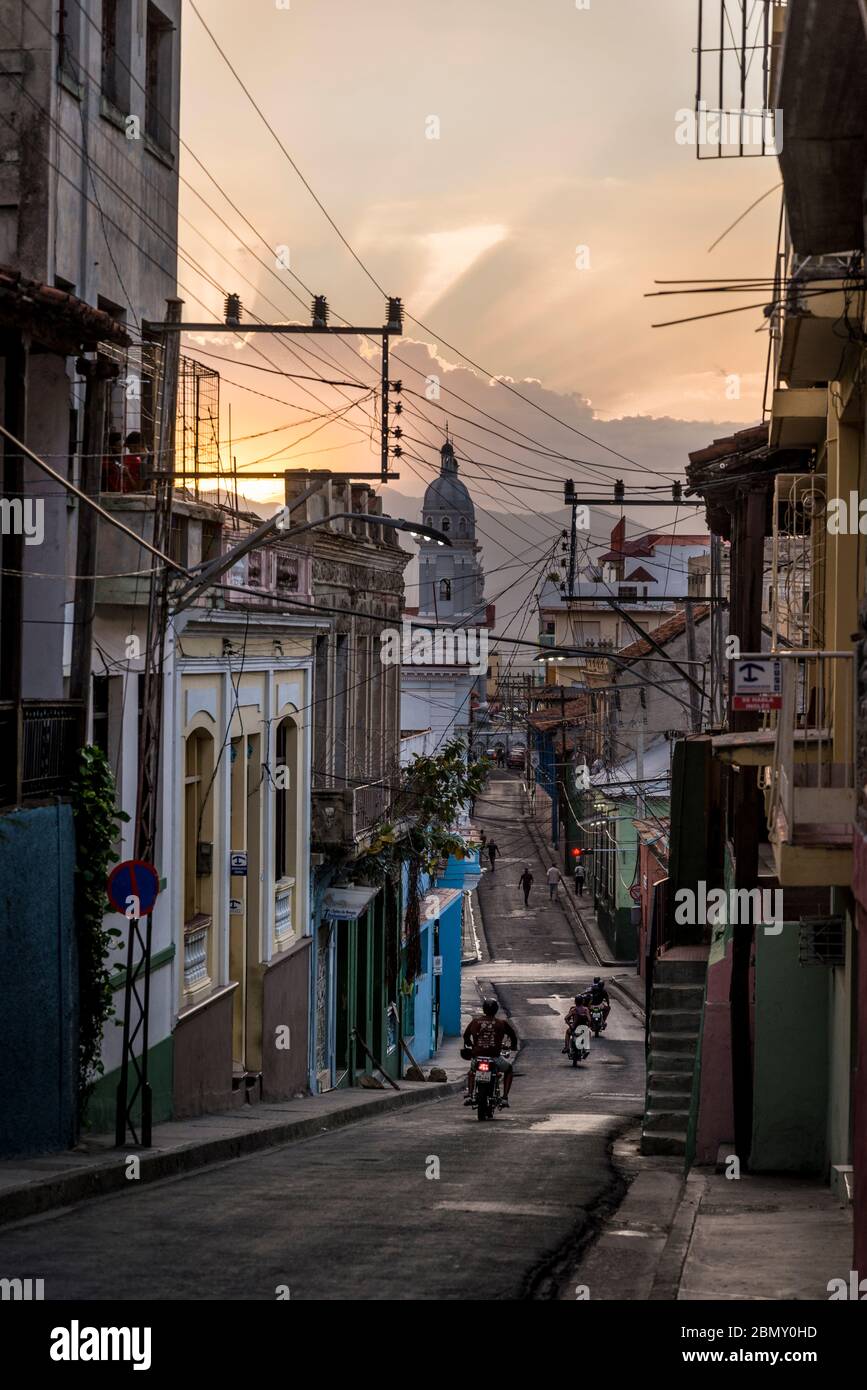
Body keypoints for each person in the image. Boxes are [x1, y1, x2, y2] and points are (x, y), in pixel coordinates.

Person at [463, 998, 518, 1107]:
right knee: (509, 1070)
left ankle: (470, 1094)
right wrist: (513, 1046)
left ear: (483, 1009)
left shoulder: (475, 1022)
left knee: (472, 1071)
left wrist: (470, 1044)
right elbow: (512, 1036)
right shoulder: (501, 1023)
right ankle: (505, 1097)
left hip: (477, 1057)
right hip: (494, 1058)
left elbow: (466, 1036)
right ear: (496, 1010)